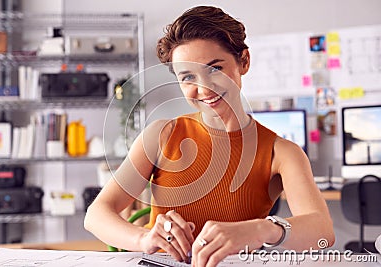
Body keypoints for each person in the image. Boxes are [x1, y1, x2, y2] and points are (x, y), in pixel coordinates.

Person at [84, 5, 335, 267]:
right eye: (188, 77)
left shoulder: (280, 152)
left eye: (215, 69)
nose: (203, 88)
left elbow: (322, 232)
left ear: (244, 62)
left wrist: (260, 229)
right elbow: (96, 215)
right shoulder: (161, 135)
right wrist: (144, 239)